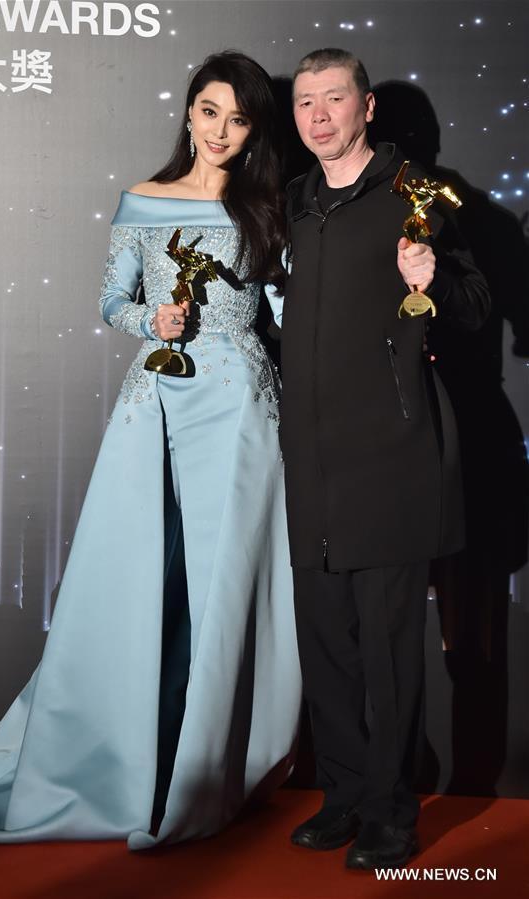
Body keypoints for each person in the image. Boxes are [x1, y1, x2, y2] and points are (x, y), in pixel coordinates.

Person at [0, 51, 302, 849]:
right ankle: (117, 759)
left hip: (240, 407)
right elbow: (109, 299)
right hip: (159, 399)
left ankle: (206, 763)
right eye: (209, 111)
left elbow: (285, 307)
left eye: (238, 118)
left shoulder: (268, 206)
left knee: (226, 585)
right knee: (137, 579)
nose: (221, 131)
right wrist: (148, 323)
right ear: (189, 112)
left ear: (255, 129)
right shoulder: (142, 198)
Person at [280, 48, 490, 869]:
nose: (319, 114)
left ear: (366, 108)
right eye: (305, 102)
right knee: (326, 645)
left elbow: (476, 306)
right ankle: (342, 797)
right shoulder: (293, 202)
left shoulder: (416, 193)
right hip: (310, 460)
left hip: (392, 458)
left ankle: (391, 814)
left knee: (391, 651)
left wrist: (432, 277)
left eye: (335, 98)